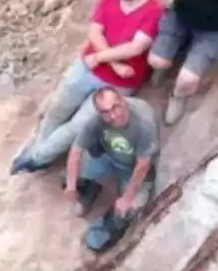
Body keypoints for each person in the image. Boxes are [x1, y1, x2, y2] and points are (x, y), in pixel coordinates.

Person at [10, 0, 164, 174]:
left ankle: (36, 158)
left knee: (78, 125)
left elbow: (135, 48)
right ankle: (43, 153)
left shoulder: (154, 9)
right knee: (57, 111)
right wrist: (113, 62)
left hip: (117, 82)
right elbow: (93, 32)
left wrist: (102, 58)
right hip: (89, 67)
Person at [65, 87, 160, 252]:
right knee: (72, 174)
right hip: (109, 157)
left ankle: (107, 228)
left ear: (123, 100)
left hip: (134, 170)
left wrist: (127, 198)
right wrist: (71, 185)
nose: (113, 115)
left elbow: (142, 166)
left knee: (128, 210)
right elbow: (76, 150)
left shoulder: (143, 122)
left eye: (116, 107)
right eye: (105, 112)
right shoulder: (97, 121)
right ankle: (89, 190)